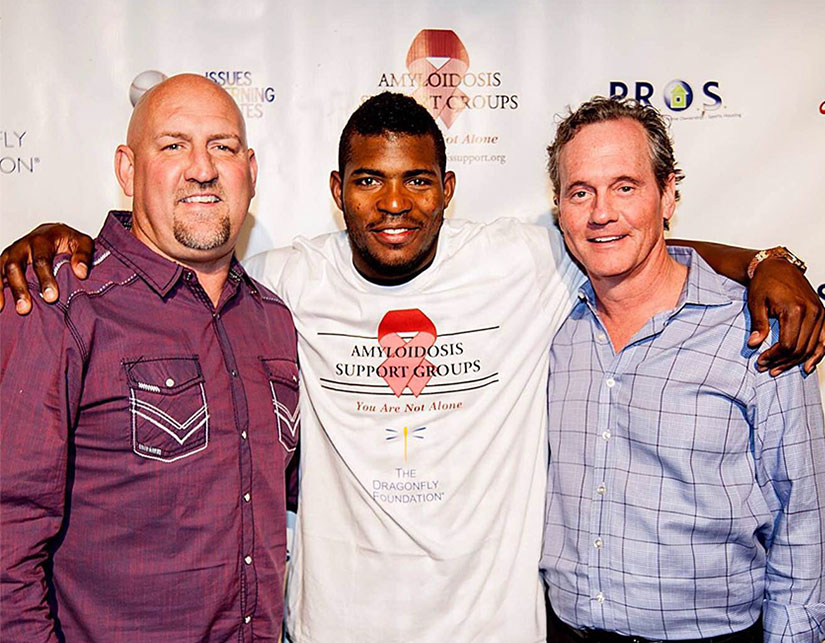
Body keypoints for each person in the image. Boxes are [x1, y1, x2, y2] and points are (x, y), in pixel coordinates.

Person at [2, 92, 824, 643]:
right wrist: (61, 243)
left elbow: (631, 247)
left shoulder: (524, 258)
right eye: (368, 179)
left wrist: (765, 259)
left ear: (447, 188)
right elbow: (170, 256)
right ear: (336, 189)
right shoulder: (278, 286)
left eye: (416, 180)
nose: (392, 202)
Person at [0, 74, 299, 642]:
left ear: (252, 172)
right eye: (173, 145)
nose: (203, 168)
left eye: (223, 147)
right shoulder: (63, 307)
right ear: (127, 170)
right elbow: (6, 534)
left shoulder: (274, 320)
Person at [541, 96, 825, 642]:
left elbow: (804, 517)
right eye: (581, 192)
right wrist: (766, 258)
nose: (602, 212)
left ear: (668, 193)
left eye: (626, 186)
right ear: (560, 208)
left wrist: (771, 262)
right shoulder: (545, 317)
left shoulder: (757, 328)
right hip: (563, 632)